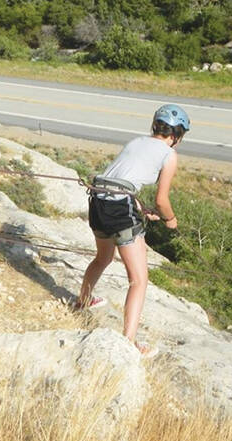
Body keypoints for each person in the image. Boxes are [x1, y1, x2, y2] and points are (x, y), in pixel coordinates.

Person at [76, 104, 190, 355]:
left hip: (98, 200)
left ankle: (82, 301)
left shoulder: (136, 141)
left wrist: (139, 205)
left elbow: (120, 178)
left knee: (103, 257)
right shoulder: (169, 155)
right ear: (177, 135)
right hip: (119, 206)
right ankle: (128, 342)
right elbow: (162, 200)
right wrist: (170, 219)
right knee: (138, 279)